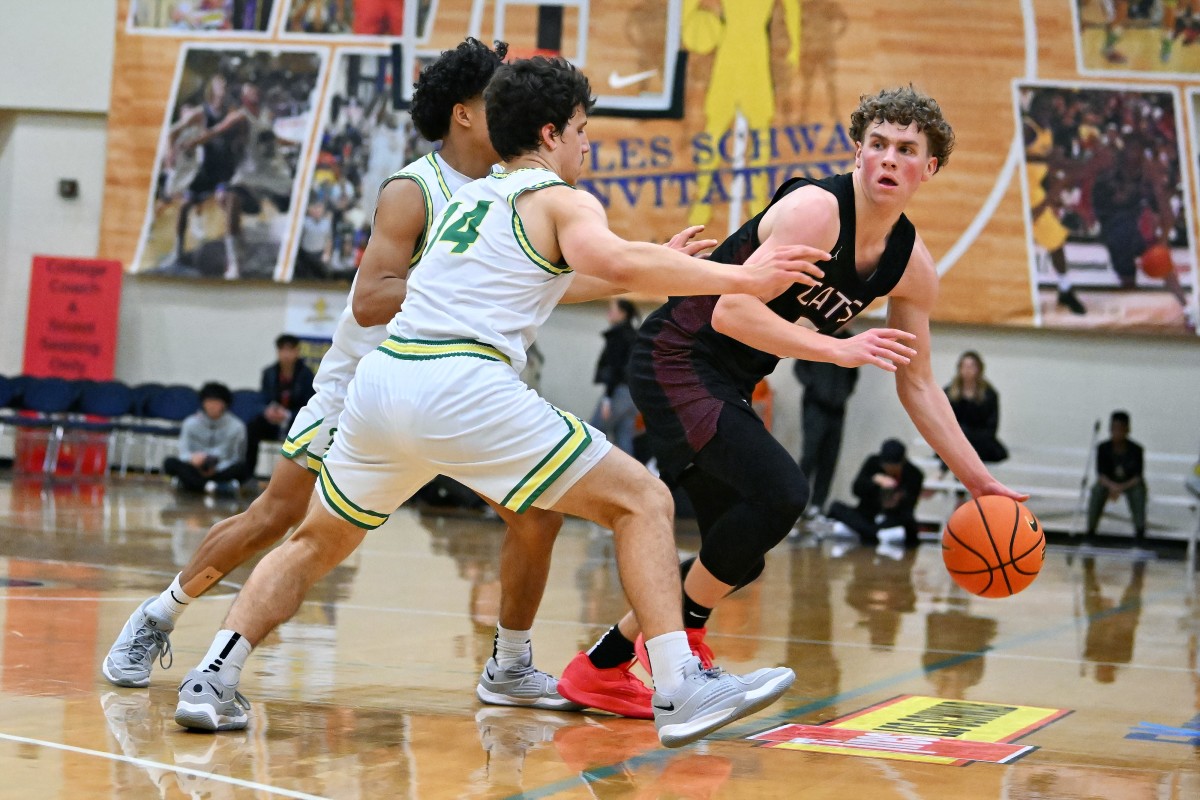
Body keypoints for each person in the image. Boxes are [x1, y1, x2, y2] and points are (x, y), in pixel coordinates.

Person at [173, 55, 816, 747]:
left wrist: (667, 263)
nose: (586, 143)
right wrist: (741, 278)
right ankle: (679, 683)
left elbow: (560, 279)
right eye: (581, 129)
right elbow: (618, 263)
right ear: (549, 133)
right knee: (644, 502)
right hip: (464, 385)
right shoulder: (561, 199)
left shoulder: (473, 199)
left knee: (314, 543)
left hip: (385, 386)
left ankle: (211, 676)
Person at [104, 40, 573, 716]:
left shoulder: (510, 189)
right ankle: (161, 613)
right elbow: (369, 301)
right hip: (362, 388)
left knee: (535, 512)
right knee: (278, 518)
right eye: (493, 93)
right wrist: (454, 280)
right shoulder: (416, 189)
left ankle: (510, 663)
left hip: (453, 387)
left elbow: (551, 275)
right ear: (464, 114)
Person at [561, 86, 1028, 719]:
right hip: (679, 354)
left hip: (726, 377)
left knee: (737, 552)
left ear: (930, 167)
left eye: (907, 150)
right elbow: (731, 312)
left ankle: (602, 667)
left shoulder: (912, 265)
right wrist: (837, 350)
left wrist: (981, 483)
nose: (890, 159)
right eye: (879, 145)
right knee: (781, 493)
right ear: (857, 152)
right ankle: (686, 652)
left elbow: (917, 382)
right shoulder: (817, 211)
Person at [793, 326, 859, 519]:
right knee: (810, 454)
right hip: (815, 407)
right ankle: (798, 502)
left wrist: (843, 394)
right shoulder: (816, 335)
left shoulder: (850, 340)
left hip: (837, 409)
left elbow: (853, 375)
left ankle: (818, 505)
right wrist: (814, 387)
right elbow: (800, 367)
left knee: (830, 457)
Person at [827, 438, 925, 550]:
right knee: (836, 507)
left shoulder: (915, 474)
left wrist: (897, 497)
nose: (889, 470)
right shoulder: (873, 462)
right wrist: (874, 481)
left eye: (893, 467)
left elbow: (910, 506)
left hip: (892, 518)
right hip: (868, 515)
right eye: (886, 466)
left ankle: (870, 533)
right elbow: (856, 490)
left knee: (909, 525)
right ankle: (873, 533)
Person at [244, 334, 316, 477]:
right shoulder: (269, 373)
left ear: (297, 352)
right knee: (253, 426)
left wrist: (288, 415)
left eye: (290, 350)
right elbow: (263, 399)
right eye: (283, 350)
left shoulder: (307, 374)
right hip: (274, 418)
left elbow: (310, 404)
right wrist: (267, 410)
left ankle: (298, 475)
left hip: (296, 419)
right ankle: (248, 472)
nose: (286, 354)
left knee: (308, 430)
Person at [162, 382, 247, 495]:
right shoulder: (190, 423)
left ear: (225, 404)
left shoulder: (237, 426)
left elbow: (236, 456)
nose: (212, 406)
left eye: (216, 402)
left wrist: (216, 466)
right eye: (209, 401)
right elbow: (183, 451)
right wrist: (192, 459)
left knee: (243, 468)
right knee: (170, 463)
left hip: (220, 468)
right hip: (194, 466)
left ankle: (192, 484)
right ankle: (211, 487)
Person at [1085, 410, 1148, 544]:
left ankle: (1140, 532)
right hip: (1108, 483)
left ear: (1127, 429)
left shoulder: (1136, 450)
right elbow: (1101, 475)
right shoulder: (1103, 448)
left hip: (1129, 484)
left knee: (1139, 492)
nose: (1117, 432)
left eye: (1120, 429)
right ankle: (1090, 531)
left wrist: (1120, 487)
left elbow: (1138, 477)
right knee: (1096, 491)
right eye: (1114, 429)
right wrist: (1112, 487)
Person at [589, 298, 640, 456]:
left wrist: (607, 398)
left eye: (612, 309)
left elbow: (615, 367)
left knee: (593, 434)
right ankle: (631, 479)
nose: (608, 313)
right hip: (633, 395)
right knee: (624, 439)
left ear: (623, 314)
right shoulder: (634, 335)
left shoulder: (618, 335)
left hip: (619, 392)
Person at [944, 350, 1008, 464]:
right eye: (964, 366)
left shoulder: (989, 394)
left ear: (979, 369)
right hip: (955, 441)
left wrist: (970, 437)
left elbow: (991, 427)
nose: (967, 370)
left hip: (981, 441)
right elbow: (944, 422)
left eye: (971, 366)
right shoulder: (948, 392)